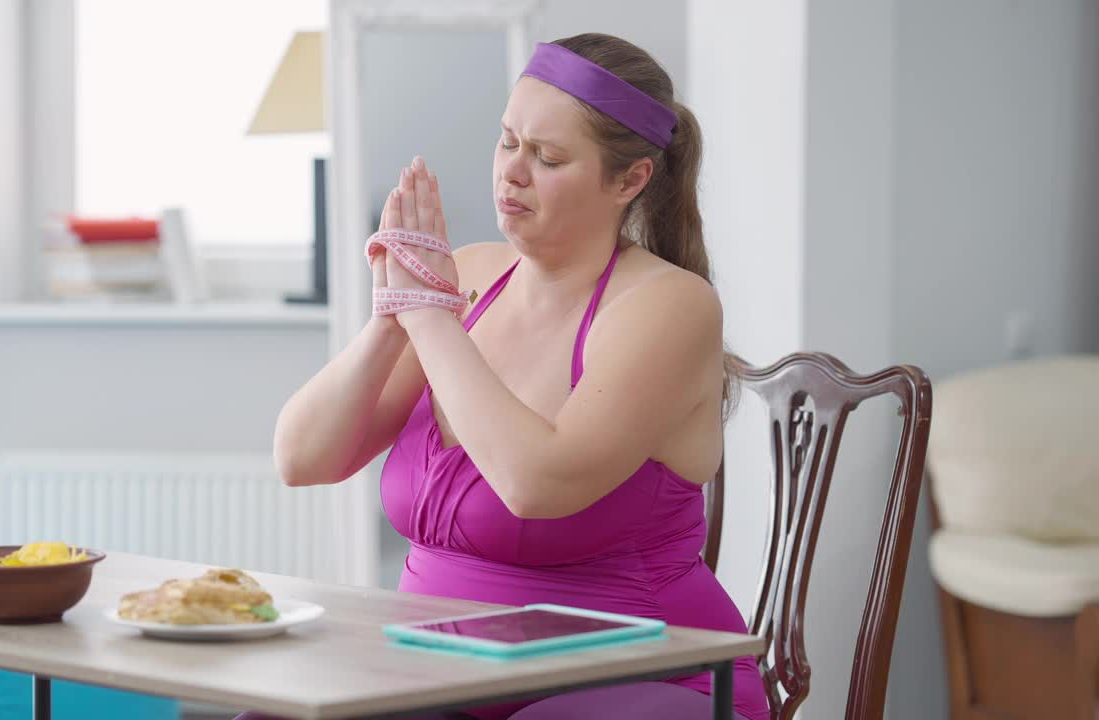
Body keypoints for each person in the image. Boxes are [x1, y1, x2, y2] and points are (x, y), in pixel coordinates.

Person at [270, 33, 768, 720]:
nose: (512, 173)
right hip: (442, 676)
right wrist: (392, 318)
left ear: (631, 180)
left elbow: (538, 485)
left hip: (640, 680)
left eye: (549, 157)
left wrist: (431, 319)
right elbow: (302, 458)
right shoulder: (468, 276)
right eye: (508, 142)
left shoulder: (668, 306)